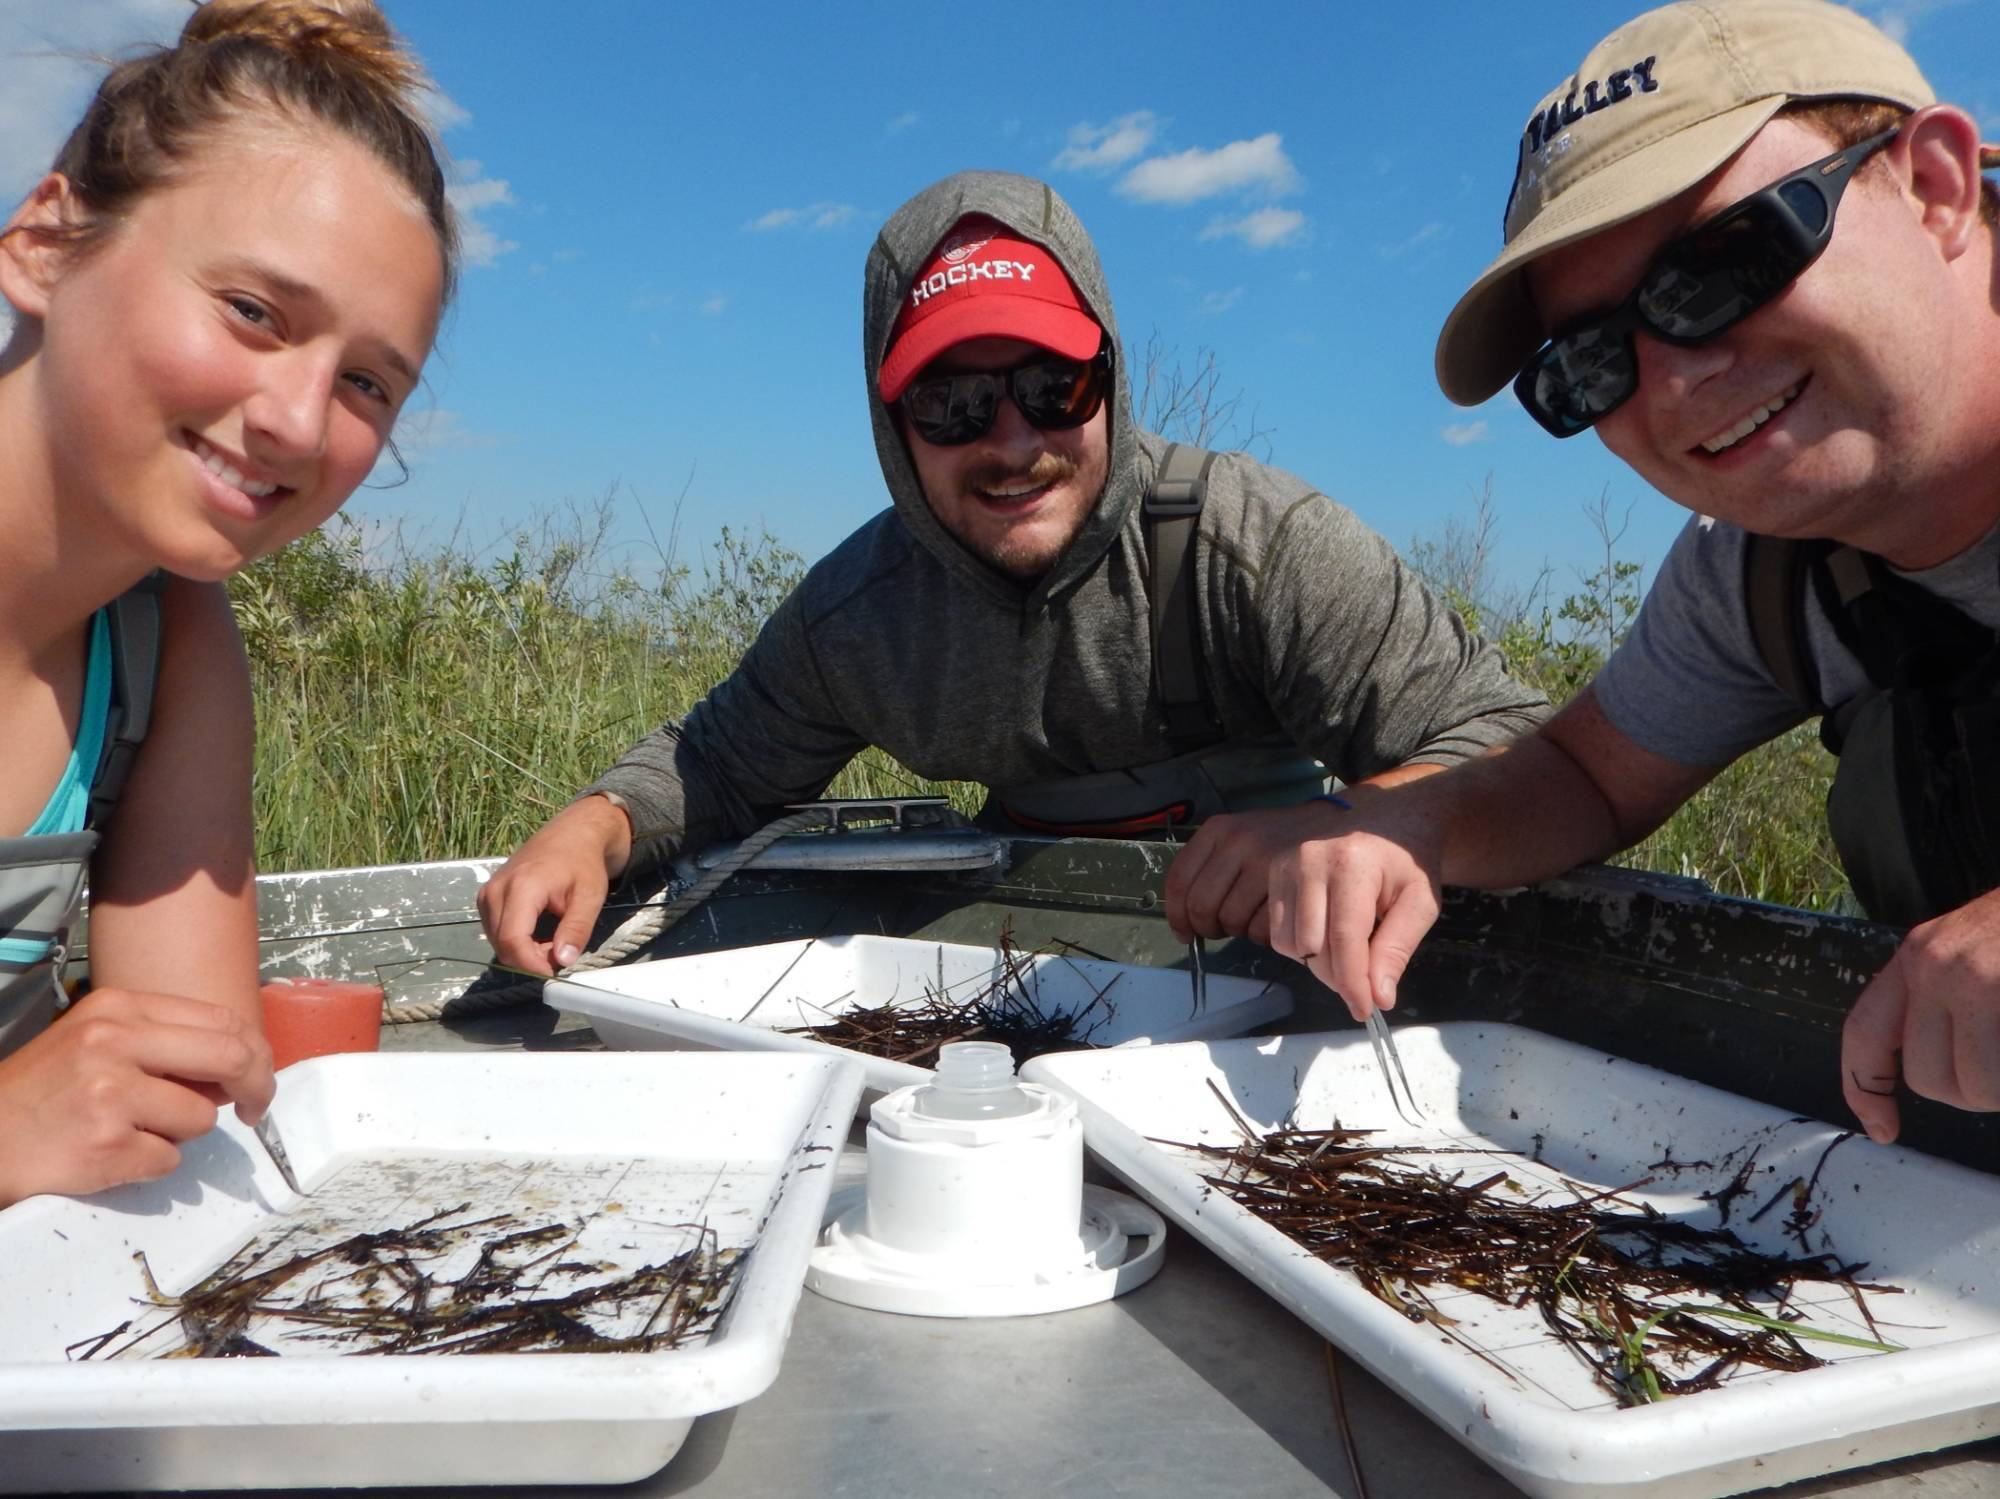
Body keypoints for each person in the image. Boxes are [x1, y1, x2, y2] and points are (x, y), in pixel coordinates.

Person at [1172, 0, 2000, 1146]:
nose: (1671, 378)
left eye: (1724, 262)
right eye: (1591, 360)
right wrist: (1385, 820)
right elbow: (1583, 775)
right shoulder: (1767, 576)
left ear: (1935, 187)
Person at [480, 171, 1545, 977]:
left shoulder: (1252, 544)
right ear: (892, 426)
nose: (1010, 439)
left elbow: (1511, 744)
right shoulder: (857, 616)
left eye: (1052, 385)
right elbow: (717, 765)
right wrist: (596, 824)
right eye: (950, 403)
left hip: (1277, 995)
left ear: (1109, 380)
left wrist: (1347, 820)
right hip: (1014, 993)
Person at [0, 0, 453, 1206]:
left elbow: (183, 1094)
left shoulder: (167, 642)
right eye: (254, 311)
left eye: (365, 382)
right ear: (46, 242)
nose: (299, 424)